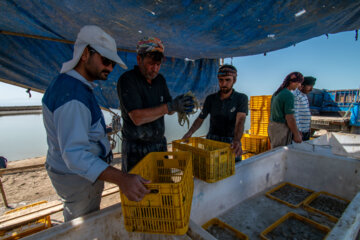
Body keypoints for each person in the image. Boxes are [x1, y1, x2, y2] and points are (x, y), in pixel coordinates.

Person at [42, 25, 150, 222]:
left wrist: (105, 131)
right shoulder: (73, 96)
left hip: (70, 173)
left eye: (113, 64)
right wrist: (122, 179)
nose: (109, 68)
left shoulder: (70, 85)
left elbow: (79, 131)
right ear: (85, 54)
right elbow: (75, 155)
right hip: (78, 178)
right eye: (106, 60)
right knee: (82, 225)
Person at [117, 37, 194, 173]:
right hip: (135, 148)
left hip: (159, 145)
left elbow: (169, 109)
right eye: (151, 64)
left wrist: (178, 104)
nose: (155, 69)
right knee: (139, 190)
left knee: (162, 186)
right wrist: (169, 107)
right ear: (139, 59)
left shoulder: (160, 80)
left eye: (158, 65)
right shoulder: (128, 80)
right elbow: (137, 118)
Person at [182, 65, 248, 159]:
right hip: (212, 140)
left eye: (227, 80)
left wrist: (237, 140)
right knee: (211, 170)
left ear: (234, 80)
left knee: (233, 170)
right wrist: (190, 132)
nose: (224, 83)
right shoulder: (210, 99)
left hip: (231, 142)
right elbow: (201, 118)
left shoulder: (241, 98)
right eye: (221, 80)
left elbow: (240, 121)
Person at [268, 72, 304, 148]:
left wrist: (296, 131)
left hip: (272, 126)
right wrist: (297, 134)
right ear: (292, 82)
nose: (299, 85)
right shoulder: (288, 95)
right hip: (281, 129)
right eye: (299, 83)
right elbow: (290, 118)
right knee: (280, 153)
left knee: (274, 151)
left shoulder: (276, 93)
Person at [292, 76, 317, 141]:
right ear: (302, 85)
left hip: (305, 131)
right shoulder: (296, 96)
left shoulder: (304, 95)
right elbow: (295, 115)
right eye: (309, 86)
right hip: (299, 132)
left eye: (312, 86)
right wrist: (297, 132)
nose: (311, 89)